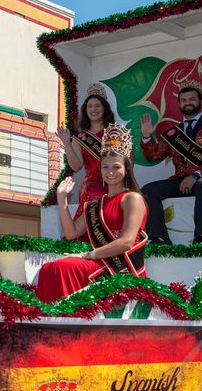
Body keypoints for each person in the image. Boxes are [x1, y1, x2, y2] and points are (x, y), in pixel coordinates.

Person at [36, 123, 148, 303]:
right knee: (49, 268)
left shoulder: (132, 198)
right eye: (105, 167)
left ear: (126, 169)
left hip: (121, 268)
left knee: (60, 268)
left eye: (116, 167)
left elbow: (126, 242)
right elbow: (71, 233)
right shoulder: (95, 204)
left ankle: (67, 319)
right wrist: (62, 199)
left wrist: (87, 255)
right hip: (101, 262)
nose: (110, 172)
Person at [140, 81, 202, 244]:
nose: (188, 102)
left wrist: (196, 175)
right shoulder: (174, 132)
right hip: (182, 181)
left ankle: (200, 237)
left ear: (200, 102)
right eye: (184, 100)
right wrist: (147, 137)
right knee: (147, 191)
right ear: (179, 104)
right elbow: (153, 155)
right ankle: (160, 238)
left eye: (192, 99)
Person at [55, 82, 115, 219]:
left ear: (104, 108)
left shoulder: (114, 132)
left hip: (114, 178)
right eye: (90, 106)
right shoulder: (81, 137)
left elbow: (128, 161)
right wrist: (67, 143)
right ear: (85, 110)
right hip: (92, 182)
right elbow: (76, 166)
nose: (93, 109)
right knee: (93, 192)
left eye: (97, 106)